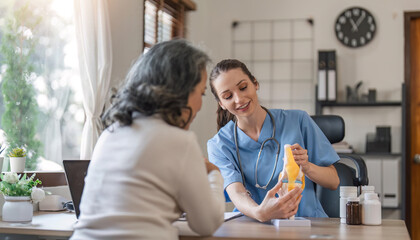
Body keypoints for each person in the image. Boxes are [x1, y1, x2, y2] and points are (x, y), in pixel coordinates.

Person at [71, 39, 225, 240]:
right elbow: (207, 223)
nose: (200, 105)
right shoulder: (179, 141)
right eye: (201, 93)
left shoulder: (111, 134)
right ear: (180, 90)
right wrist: (214, 175)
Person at [207, 59, 340, 222]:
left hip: (307, 223)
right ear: (221, 103)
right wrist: (259, 212)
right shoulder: (219, 144)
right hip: (256, 226)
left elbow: (334, 181)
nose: (239, 99)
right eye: (228, 96)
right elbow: (236, 192)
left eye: (243, 88)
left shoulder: (298, 121)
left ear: (255, 83)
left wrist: (307, 167)